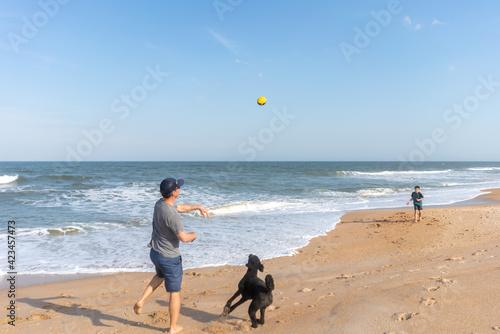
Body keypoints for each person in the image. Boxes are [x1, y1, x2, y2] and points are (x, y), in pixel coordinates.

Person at [133, 177, 210, 334]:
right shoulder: (172, 216)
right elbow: (184, 238)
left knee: (160, 276)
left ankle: (141, 301)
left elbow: (178, 207)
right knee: (175, 293)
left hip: (155, 253)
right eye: (178, 187)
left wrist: (198, 207)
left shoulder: (159, 204)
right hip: (169, 258)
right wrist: (194, 235)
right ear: (174, 192)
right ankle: (173, 328)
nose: (179, 189)